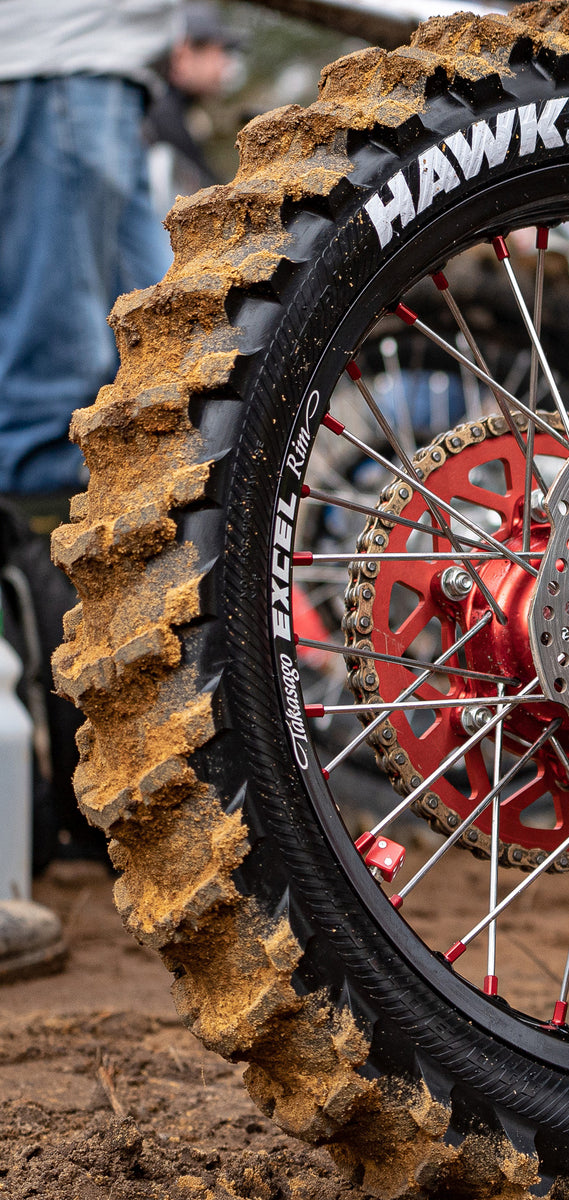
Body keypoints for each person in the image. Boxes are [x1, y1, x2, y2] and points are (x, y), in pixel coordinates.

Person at [0, 0, 180, 981]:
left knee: (156, 411)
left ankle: (101, 786)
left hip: (87, 73)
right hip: (56, 68)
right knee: (57, 421)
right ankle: (69, 791)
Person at [146, 2, 241, 216]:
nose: (225, 65)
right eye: (220, 51)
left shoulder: (167, 112)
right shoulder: (159, 119)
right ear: (184, 54)